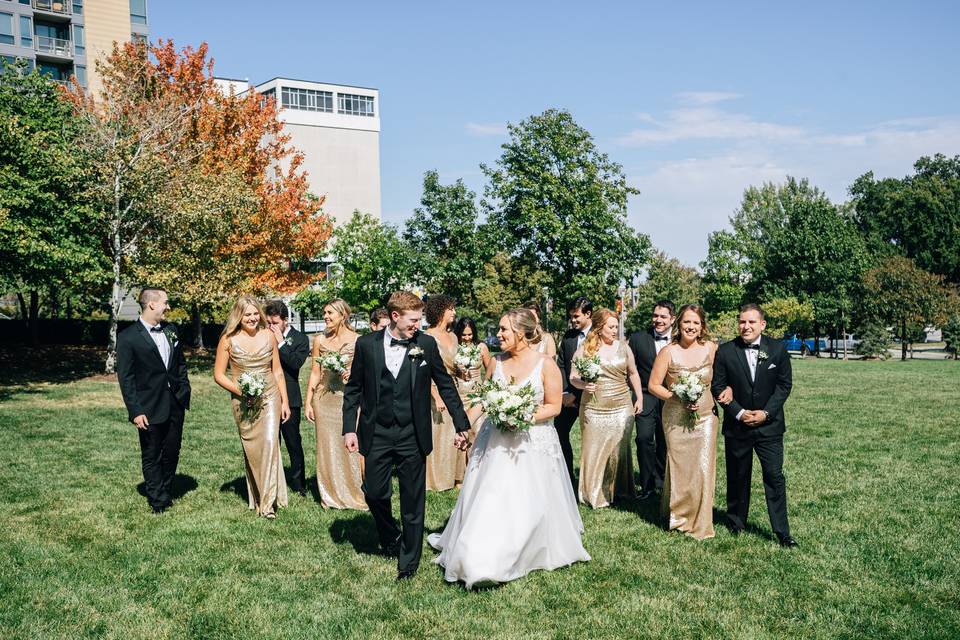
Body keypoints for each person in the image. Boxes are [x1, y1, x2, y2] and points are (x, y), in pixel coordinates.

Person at [429, 308, 590, 589]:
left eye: (504, 330)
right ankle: (478, 556)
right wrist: (463, 427)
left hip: (532, 445)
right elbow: (482, 400)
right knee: (490, 495)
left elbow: (553, 406)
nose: (498, 334)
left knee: (527, 501)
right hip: (496, 442)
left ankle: (520, 549)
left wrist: (523, 415)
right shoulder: (496, 362)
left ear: (522, 333)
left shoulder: (546, 364)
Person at [342, 291, 470, 581]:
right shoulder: (366, 345)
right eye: (413, 320)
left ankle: (408, 563)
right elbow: (353, 390)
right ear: (395, 317)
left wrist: (461, 423)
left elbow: (445, 385)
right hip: (377, 432)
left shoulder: (425, 344)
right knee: (374, 493)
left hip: (413, 433)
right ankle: (390, 535)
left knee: (413, 501)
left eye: (420, 319)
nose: (418, 324)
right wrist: (350, 427)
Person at [712, 303, 797, 547]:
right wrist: (738, 413)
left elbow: (784, 385)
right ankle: (736, 523)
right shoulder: (726, 351)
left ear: (762, 324)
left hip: (769, 427)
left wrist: (766, 413)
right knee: (738, 475)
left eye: (751, 322)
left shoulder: (777, 349)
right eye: (742, 321)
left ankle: (782, 531)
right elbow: (718, 386)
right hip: (738, 426)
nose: (745, 326)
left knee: (774, 476)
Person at [213, 295, 290, 518]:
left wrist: (284, 401)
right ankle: (259, 495)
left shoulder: (269, 335)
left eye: (256, 313)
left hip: (270, 396)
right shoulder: (228, 339)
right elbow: (219, 375)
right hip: (243, 400)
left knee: (269, 442)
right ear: (239, 316)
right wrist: (242, 392)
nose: (253, 318)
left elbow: (277, 371)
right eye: (248, 314)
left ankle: (267, 505)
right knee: (253, 450)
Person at [116, 288, 191, 514]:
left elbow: (179, 364)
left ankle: (165, 490)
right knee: (152, 453)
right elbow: (126, 378)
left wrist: (184, 388)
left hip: (175, 402)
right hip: (148, 406)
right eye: (165, 303)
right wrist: (135, 411)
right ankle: (158, 500)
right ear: (151, 305)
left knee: (172, 451)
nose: (168, 307)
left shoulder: (171, 330)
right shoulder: (127, 338)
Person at [647, 304, 718, 540]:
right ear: (679, 324)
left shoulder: (711, 348)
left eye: (696, 323)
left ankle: (701, 519)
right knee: (681, 467)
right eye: (687, 322)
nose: (691, 327)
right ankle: (679, 517)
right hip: (676, 417)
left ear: (702, 326)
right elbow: (654, 385)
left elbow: (721, 379)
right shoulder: (668, 352)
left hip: (706, 417)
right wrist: (675, 396)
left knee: (703, 467)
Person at [569, 308, 644, 508]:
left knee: (619, 448)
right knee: (594, 448)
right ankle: (593, 493)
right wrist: (584, 385)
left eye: (616, 327)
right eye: (611, 327)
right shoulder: (586, 349)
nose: (615, 330)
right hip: (594, 406)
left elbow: (633, 373)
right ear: (600, 327)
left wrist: (639, 397)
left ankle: (618, 490)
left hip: (622, 406)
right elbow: (573, 376)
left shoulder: (623, 347)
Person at [305, 299, 366, 510]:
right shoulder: (319, 340)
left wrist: (353, 374)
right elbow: (315, 372)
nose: (326, 316)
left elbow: (365, 373)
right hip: (324, 400)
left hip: (348, 399)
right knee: (326, 446)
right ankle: (329, 494)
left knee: (350, 445)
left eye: (330, 313)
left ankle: (354, 492)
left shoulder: (358, 341)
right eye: (324, 313)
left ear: (343, 315)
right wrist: (308, 402)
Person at [627, 300, 675, 499]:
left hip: (671, 397)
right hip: (645, 396)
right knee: (644, 438)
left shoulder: (680, 339)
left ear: (672, 319)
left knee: (666, 440)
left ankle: (662, 482)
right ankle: (647, 486)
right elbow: (630, 370)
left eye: (663, 317)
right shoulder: (638, 338)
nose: (658, 320)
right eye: (656, 316)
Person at [264, 300, 310, 496]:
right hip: (266, 394)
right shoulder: (263, 336)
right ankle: (272, 480)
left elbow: (295, 363)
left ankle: (298, 483)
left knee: (293, 441)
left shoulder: (300, 339)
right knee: (270, 441)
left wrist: (281, 341)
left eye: (274, 322)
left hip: (290, 397)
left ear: (285, 320)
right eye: (268, 322)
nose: (270, 326)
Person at [423, 295, 466, 490]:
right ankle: (435, 480)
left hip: (453, 388)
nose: (454, 312)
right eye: (451, 309)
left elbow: (453, 365)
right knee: (437, 434)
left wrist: (462, 371)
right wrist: (436, 395)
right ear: (440, 311)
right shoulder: (427, 336)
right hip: (433, 390)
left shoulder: (454, 336)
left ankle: (454, 477)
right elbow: (424, 369)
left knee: (454, 432)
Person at [555, 296, 593, 491]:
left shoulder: (600, 335)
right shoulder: (569, 337)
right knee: (559, 431)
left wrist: (579, 394)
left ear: (588, 314)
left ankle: (592, 485)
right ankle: (567, 480)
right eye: (571, 317)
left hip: (594, 397)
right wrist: (564, 393)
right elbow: (561, 365)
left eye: (576, 316)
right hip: (568, 397)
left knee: (593, 441)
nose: (573, 320)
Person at [452, 317, 492, 443]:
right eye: (464, 334)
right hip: (458, 394)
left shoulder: (481, 347)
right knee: (460, 434)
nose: (467, 337)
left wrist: (485, 388)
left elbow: (490, 371)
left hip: (476, 395)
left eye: (470, 334)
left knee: (477, 432)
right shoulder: (454, 347)